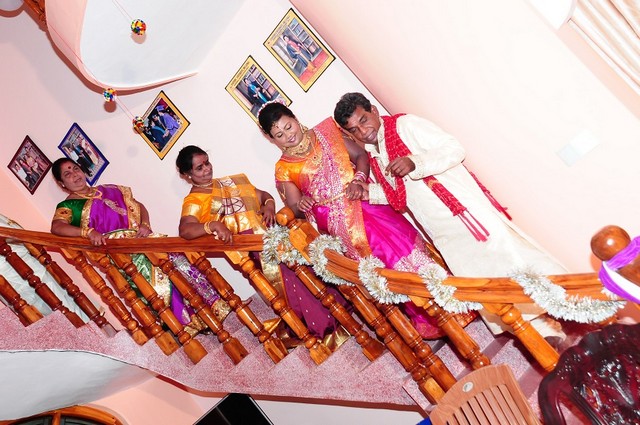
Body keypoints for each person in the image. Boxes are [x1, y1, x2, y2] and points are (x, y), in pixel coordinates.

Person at [333, 92, 567, 338]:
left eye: (363, 120)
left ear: (373, 111)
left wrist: (415, 162)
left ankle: (569, 310)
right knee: (482, 281)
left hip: (466, 215)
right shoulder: (375, 156)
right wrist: (368, 193)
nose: (363, 131)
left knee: (512, 263)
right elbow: (399, 194)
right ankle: (538, 333)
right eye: (355, 130)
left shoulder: (405, 125)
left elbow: (454, 149)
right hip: (442, 232)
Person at [258, 102, 476, 339]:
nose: (288, 135)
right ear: (271, 139)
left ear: (294, 118)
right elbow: (295, 207)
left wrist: (359, 179)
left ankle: (453, 302)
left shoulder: (326, 132)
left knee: (404, 245)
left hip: (364, 199)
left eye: (288, 126)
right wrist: (300, 205)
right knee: (384, 266)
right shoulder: (283, 168)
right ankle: (426, 319)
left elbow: (360, 155)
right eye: (279, 134)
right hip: (338, 224)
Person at [176, 145, 351, 348]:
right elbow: (185, 229)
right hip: (254, 250)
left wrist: (268, 206)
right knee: (291, 282)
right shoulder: (194, 200)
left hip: (275, 235)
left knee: (307, 270)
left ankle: (339, 312)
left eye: (207, 163)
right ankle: (323, 328)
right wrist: (212, 225)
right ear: (187, 175)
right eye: (199, 168)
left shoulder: (231, 181)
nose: (207, 169)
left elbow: (264, 196)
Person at [49, 158, 230, 334]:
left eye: (75, 169)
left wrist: (145, 224)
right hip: (122, 254)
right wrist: (87, 232)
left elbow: (139, 206)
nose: (75, 174)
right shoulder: (68, 206)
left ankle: (211, 312)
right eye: (67, 174)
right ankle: (188, 326)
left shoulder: (109, 189)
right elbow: (57, 227)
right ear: (62, 183)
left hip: (143, 240)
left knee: (181, 266)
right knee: (158, 288)